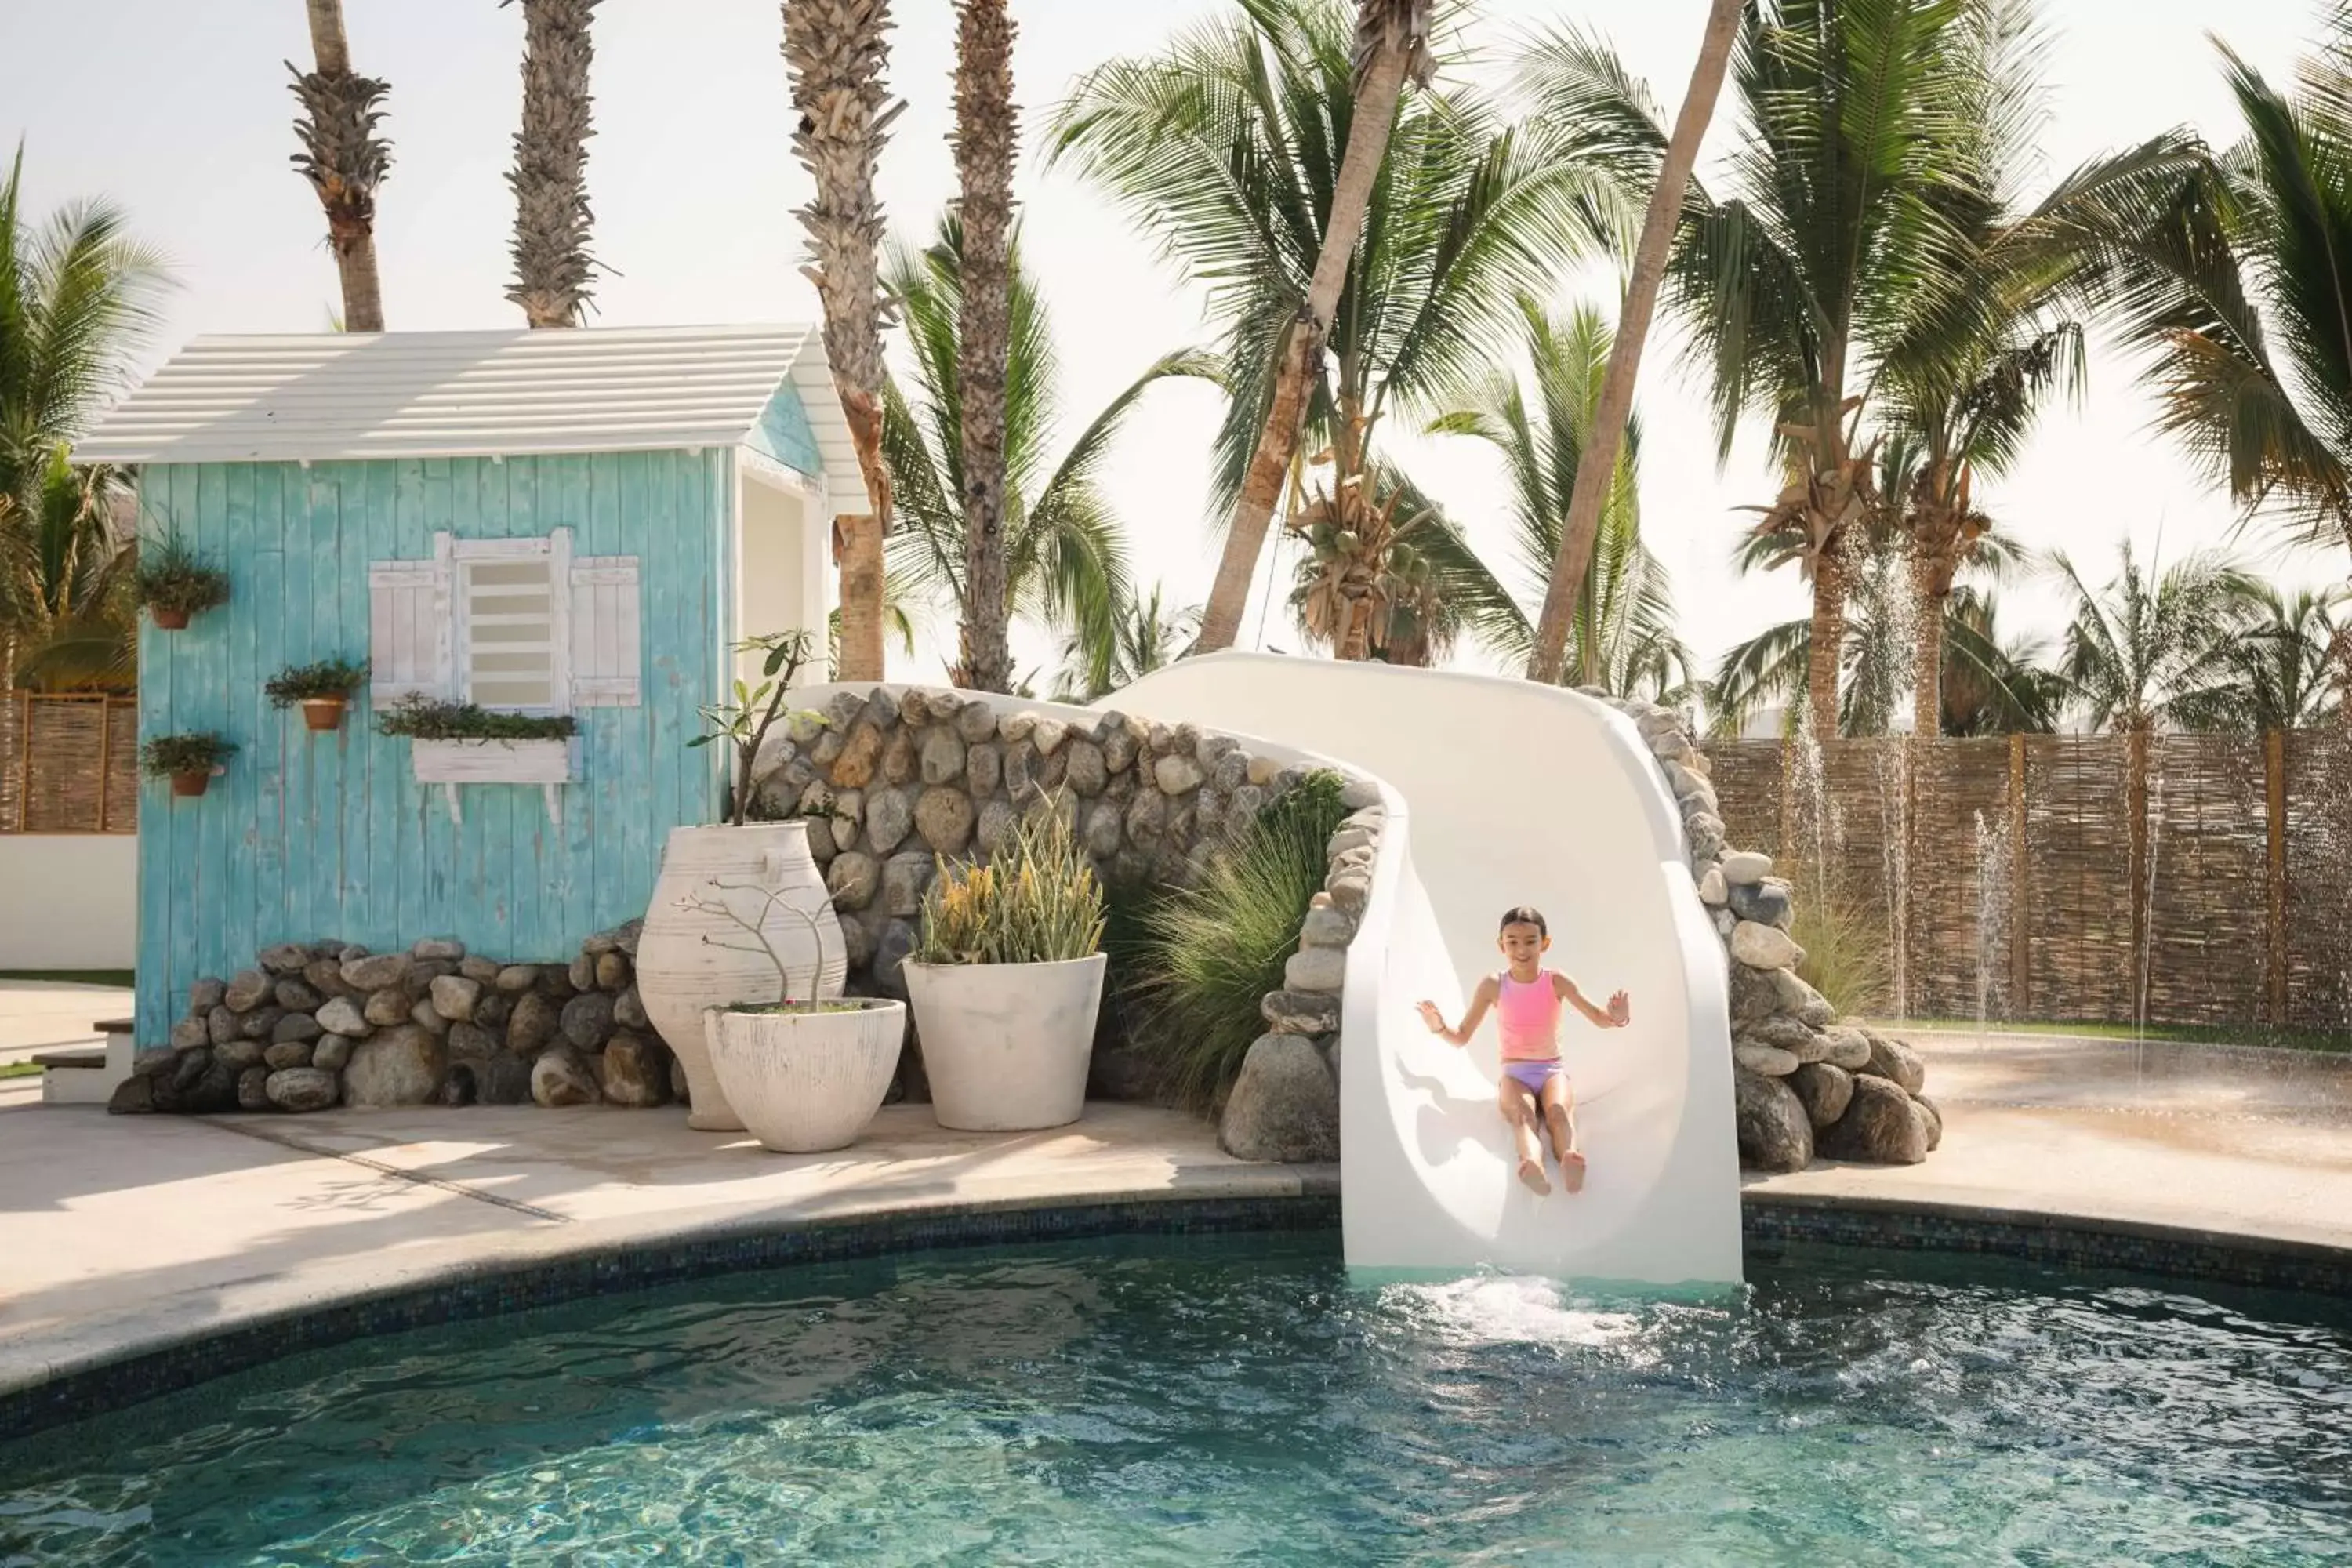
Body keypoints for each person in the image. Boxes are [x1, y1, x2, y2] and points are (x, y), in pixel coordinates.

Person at [1417, 906, 1630, 1196]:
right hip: (1515, 1074)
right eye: (1512, 941)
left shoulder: (1557, 981)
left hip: (1552, 1070)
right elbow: (1462, 1036)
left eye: (1530, 941)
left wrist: (1617, 1018)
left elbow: (1598, 1018)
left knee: (1557, 1113)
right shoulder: (1494, 985)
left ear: (1545, 943)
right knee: (1523, 1116)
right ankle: (1533, 1165)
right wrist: (1438, 1026)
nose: (1521, 949)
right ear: (1501, 944)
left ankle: (1569, 1158)